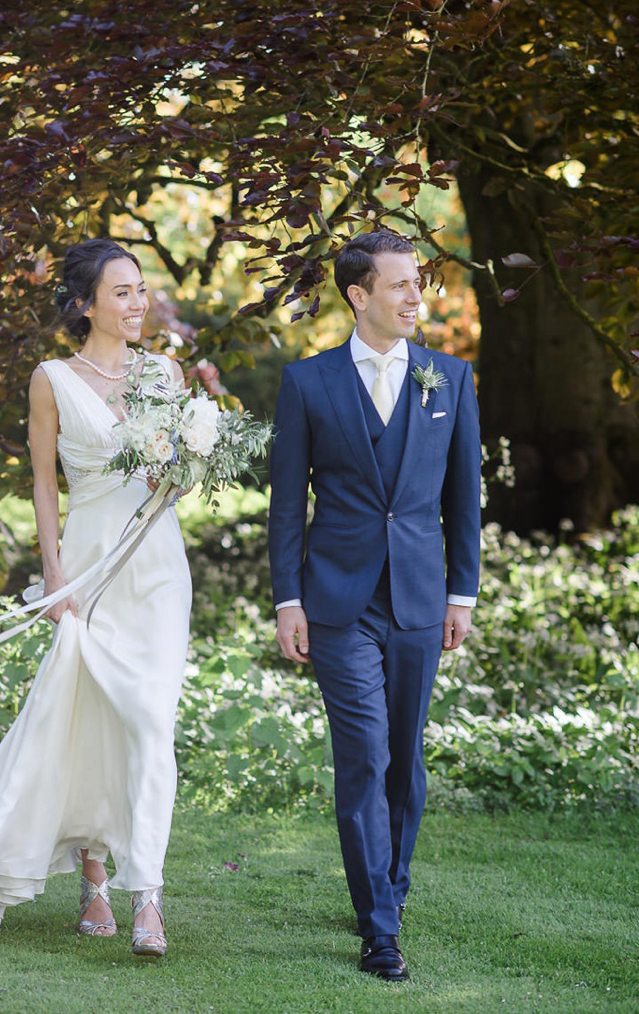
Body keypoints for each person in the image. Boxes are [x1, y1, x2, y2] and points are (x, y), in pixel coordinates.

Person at [0, 239, 192, 957]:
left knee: (151, 724)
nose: (139, 303)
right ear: (85, 303)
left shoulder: (165, 372)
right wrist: (52, 573)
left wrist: (189, 467)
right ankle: (94, 875)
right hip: (89, 565)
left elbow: (175, 471)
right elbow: (45, 482)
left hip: (159, 566)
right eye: (123, 291)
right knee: (88, 714)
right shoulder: (51, 378)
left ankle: (149, 898)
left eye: (142, 290)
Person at [268, 230, 480, 983]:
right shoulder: (308, 382)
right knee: (364, 751)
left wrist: (462, 591)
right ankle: (378, 927)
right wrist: (287, 597)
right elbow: (286, 501)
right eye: (398, 284)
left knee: (405, 760)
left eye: (416, 282)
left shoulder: (448, 379)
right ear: (358, 294)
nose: (414, 295)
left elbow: (463, 499)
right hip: (337, 600)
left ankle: (389, 881)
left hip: (421, 598)